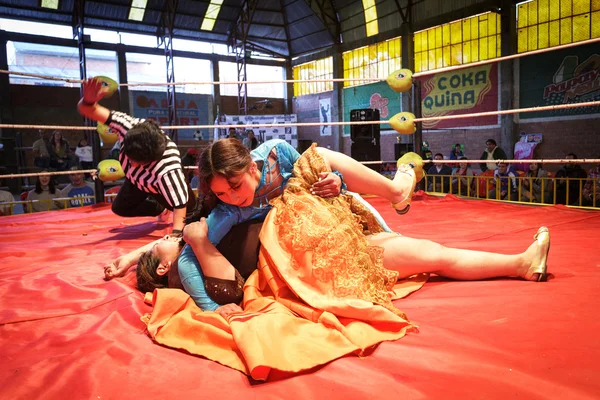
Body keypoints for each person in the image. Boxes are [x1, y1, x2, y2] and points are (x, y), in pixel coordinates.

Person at [147, 139, 549, 315]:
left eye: (235, 187)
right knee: (428, 254)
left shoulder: (279, 155)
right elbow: (185, 251)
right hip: (321, 260)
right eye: (223, 194)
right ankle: (520, 263)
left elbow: (326, 184)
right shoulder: (223, 214)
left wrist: (334, 184)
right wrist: (213, 309)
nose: (234, 198)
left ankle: (395, 190)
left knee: (324, 161)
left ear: (252, 166)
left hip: (338, 221)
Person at [77, 77, 198, 235]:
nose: (132, 164)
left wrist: (174, 238)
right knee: (120, 208)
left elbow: (180, 206)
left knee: (192, 215)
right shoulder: (126, 126)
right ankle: (158, 208)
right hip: (136, 181)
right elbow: (88, 110)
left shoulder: (168, 168)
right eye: (130, 159)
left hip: (159, 187)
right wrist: (88, 101)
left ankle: (165, 205)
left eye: (138, 163)